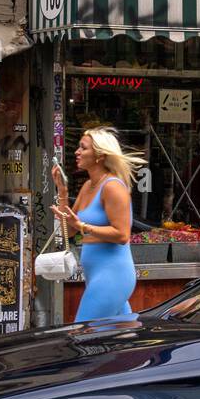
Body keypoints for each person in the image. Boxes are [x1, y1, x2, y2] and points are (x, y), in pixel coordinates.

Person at [52, 127, 146, 322]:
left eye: (83, 148)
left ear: (100, 156)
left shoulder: (112, 186)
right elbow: (68, 231)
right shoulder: (88, 186)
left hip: (112, 274)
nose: (77, 152)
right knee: (119, 340)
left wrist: (83, 226)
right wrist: (62, 192)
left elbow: (122, 235)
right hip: (95, 273)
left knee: (83, 333)